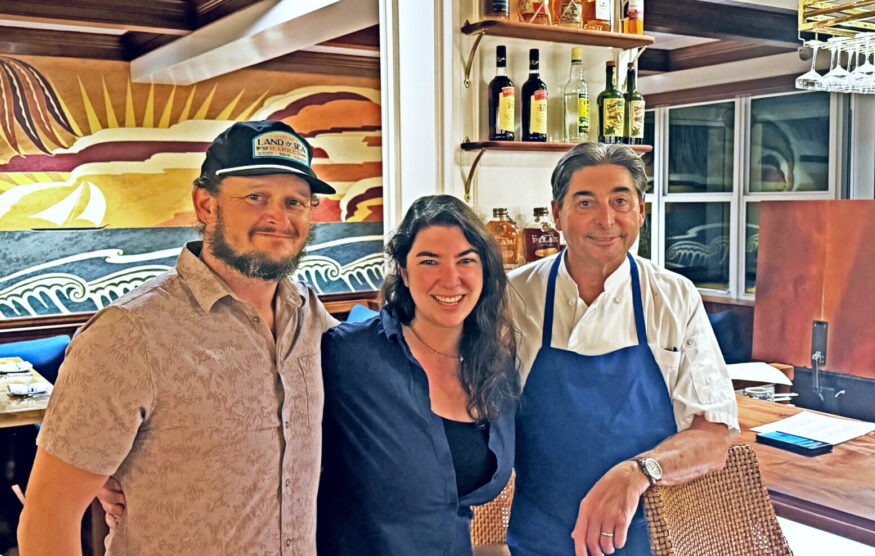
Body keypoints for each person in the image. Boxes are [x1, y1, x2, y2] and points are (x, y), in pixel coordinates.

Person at [18, 120, 339, 555]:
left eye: (295, 202)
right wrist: (101, 474)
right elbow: (46, 519)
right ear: (205, 205)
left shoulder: (311, 318)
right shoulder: (130, 333)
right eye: (256, 197)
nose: (278, 218)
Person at [506, 143, 739, 556]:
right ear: (557, 214)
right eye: (585, 202)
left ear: (641, 211)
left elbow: (713, 437)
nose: (606, 219)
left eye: (620, 201)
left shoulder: (673, 296)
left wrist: (639, 471)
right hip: (538, 536)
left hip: (650, 537)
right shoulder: (515, 295)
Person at [317, 195, 519, 554]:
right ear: (405, 273)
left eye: (466, 260)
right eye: (429, 261)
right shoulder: (347, 356)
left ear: (484, 271)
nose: (450, 278)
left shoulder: (496, 365)